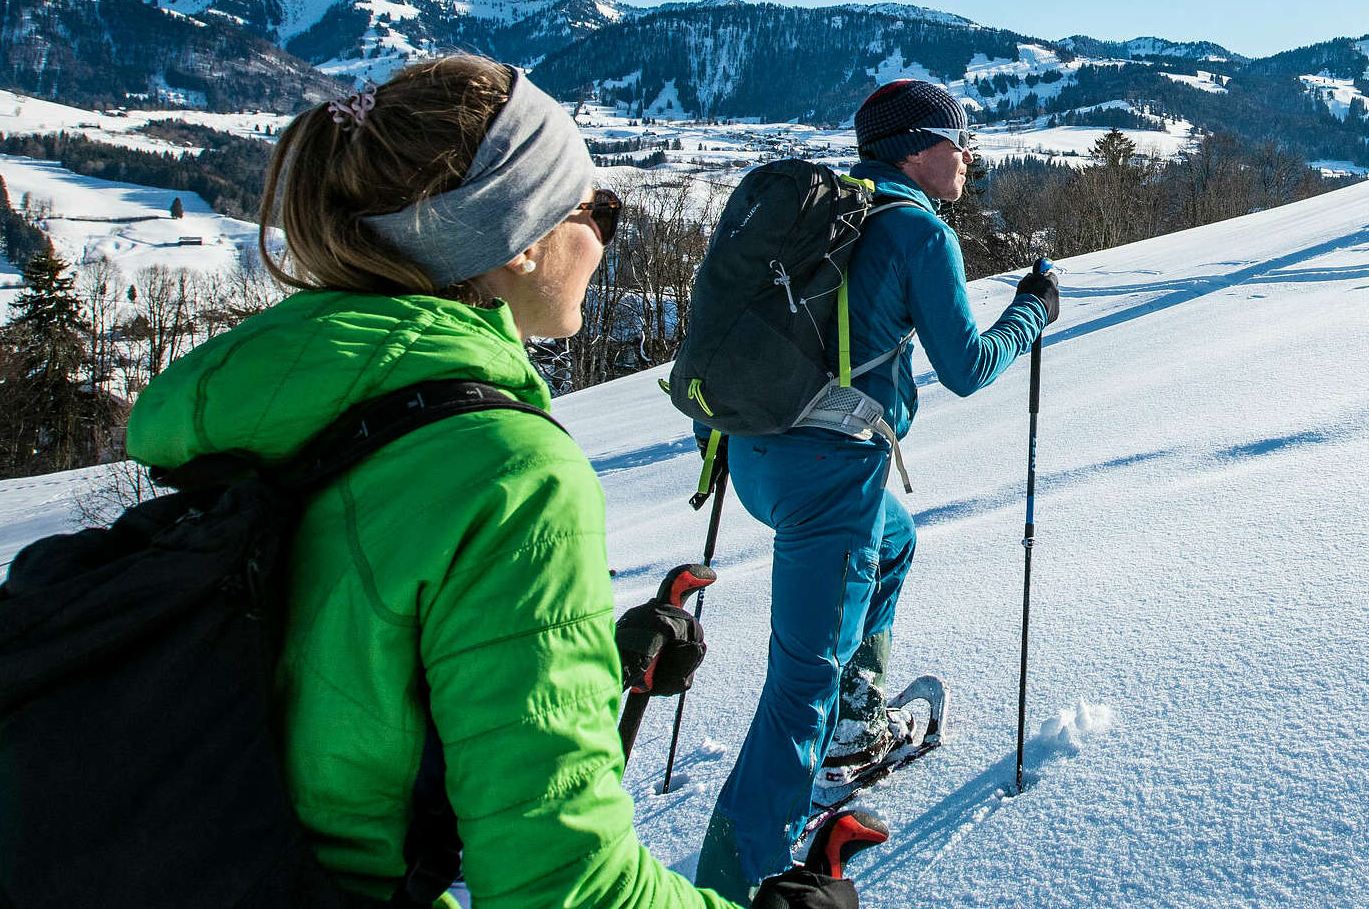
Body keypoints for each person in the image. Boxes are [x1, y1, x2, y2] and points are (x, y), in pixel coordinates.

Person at [124, 57, 847, 909]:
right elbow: (564, 890)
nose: (605, 239)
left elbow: (331, 663)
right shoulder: (508, 471)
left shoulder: (290, 403)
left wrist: (560, 658)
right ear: (521, 235)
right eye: (597, 212)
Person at [694, 78, 1056, 897]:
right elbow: (967, 368)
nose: (967, 156)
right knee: (798, 686)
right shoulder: (916, 231)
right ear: (919, 147)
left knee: (897, 537)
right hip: (830, 478)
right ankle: (735, 880)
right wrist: (1033, 311)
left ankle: (854, 726)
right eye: (957, 140)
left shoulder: (818, 209)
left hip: (750, 454)